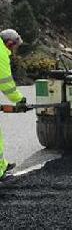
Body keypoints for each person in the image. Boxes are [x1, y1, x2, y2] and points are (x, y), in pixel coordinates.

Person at [0, 29, 27, 181]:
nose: (14, 49)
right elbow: (6, 84)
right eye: (15, 46)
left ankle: (2, 165)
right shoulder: (1, 53)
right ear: (9, 43)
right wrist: (19, 99)